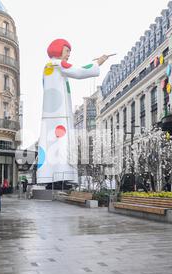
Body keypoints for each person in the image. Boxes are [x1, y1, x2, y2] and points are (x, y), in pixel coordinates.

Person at [37, 39, 109, 185]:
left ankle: (51, 177)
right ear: (58, 50)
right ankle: (62, 177)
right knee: (62, 142)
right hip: (60, 114)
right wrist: (98, 63)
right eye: (67, 50)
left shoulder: (48, 67)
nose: (69, 54)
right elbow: (78, 71)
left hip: (51, 114)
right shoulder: (56, 64)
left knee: (51, 143)